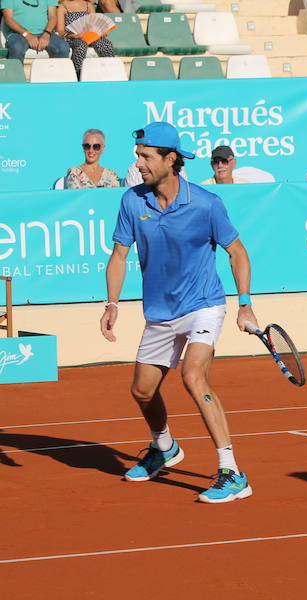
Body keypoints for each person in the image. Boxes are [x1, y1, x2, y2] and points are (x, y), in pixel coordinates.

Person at [101, 121, 259, 504]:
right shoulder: (132, 201)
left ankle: (232, 472)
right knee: (142, 390)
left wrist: (245, 303)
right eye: (138, 155)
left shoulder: (206, 203)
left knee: (192, 375)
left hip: (203, 304)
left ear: (171, 160)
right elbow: (119, 255)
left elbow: (237, 252)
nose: (138, 163)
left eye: (146, 157)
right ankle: (165, 448)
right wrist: (111, 304)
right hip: (160, 311)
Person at [56, 0, 116, 78]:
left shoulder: (88, 5)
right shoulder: (62, 7)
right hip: (71, 38)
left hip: (89, 36)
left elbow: (95, 24)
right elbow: (60, 31)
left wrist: (100, 31)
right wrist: (75, 35)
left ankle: (109, 72)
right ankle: (77, 74)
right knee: (81, 46)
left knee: (105, 44)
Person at [1, 0, 70, 63]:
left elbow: (53, 17)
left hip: (45, 32)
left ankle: (57, 76)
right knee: (17, 48)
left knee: (63, 47)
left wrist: (46, 34)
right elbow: (8, 19)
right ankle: (15, 76)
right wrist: (27, 35)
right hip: (18, 33)